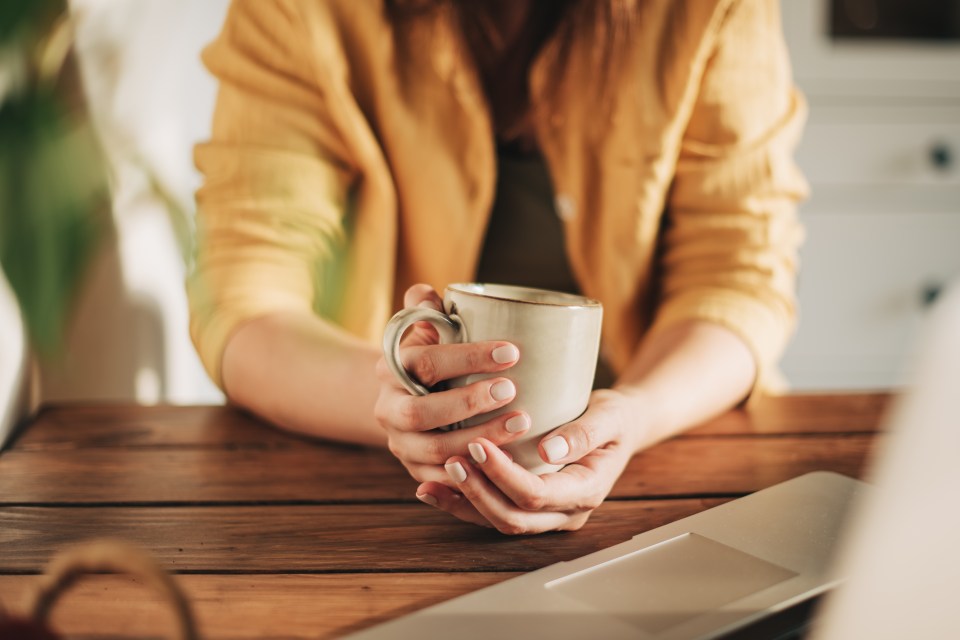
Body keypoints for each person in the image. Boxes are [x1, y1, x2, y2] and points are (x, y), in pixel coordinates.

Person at [188, 0, 808, 534]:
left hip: (669, 445)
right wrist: (403, 404)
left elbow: (736, 279)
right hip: (371, 475)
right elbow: (244, 295)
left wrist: (637, 414)